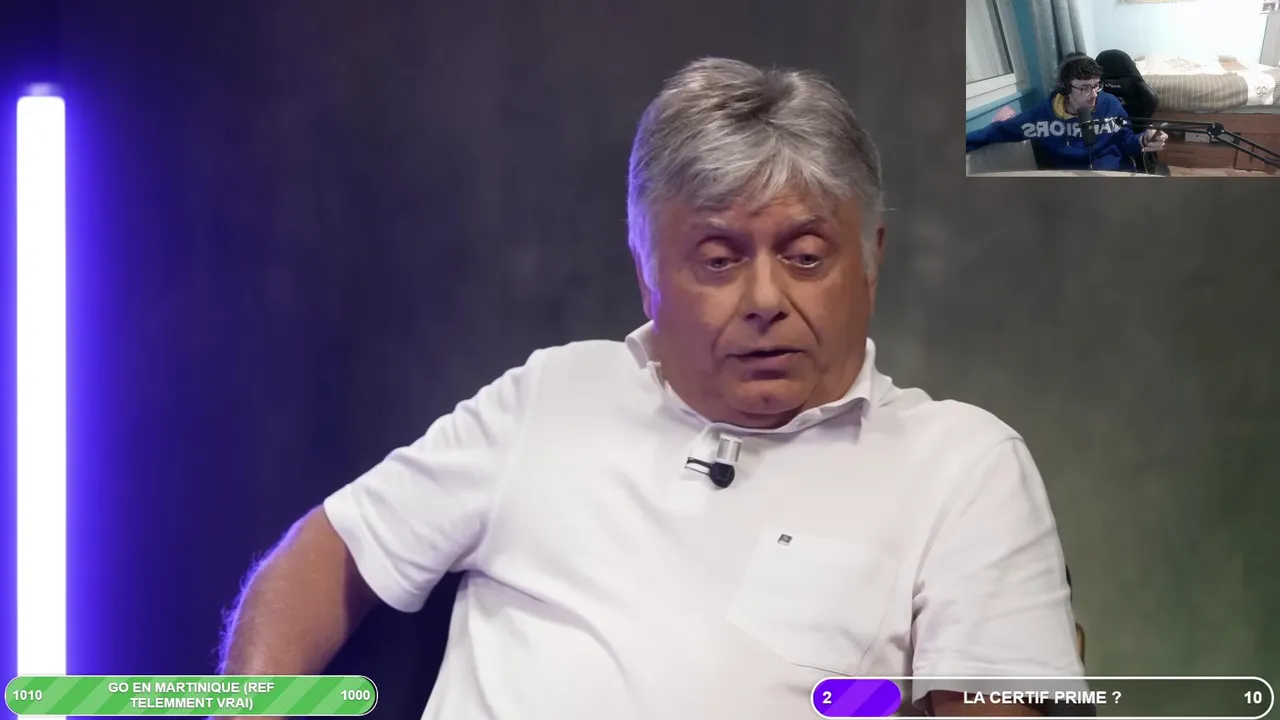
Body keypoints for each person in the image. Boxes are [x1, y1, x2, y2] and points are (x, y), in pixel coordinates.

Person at [218, 57, 1085, 718]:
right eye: (718, 259)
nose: (765, 299)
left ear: (870, 260)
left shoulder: (960, 466)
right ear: (646, 273)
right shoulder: (551, 396)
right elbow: (328, 558)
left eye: (804, 256)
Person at [967, 54, 1168, 171]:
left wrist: (1145, 138)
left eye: (1096, 85)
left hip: (1113, 178)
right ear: (1064, 88)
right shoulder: (1040, 117)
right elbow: (997, 132)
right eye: (1085, 88)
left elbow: (1126, 141)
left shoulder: (1110, 104)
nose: (1094, 94)